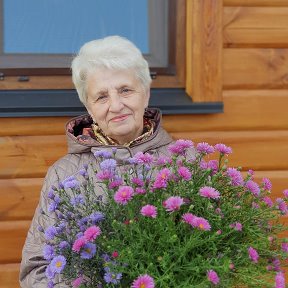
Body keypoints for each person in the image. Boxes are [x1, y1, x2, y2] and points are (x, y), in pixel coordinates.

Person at [19, 35, 189, 287]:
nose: (116, 105)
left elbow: (216, 253)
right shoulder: (63, 173)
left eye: (125, 90)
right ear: (89, 107)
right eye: (101, 97)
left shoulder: (185, 160)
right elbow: (36, 269)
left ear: (146, 93)